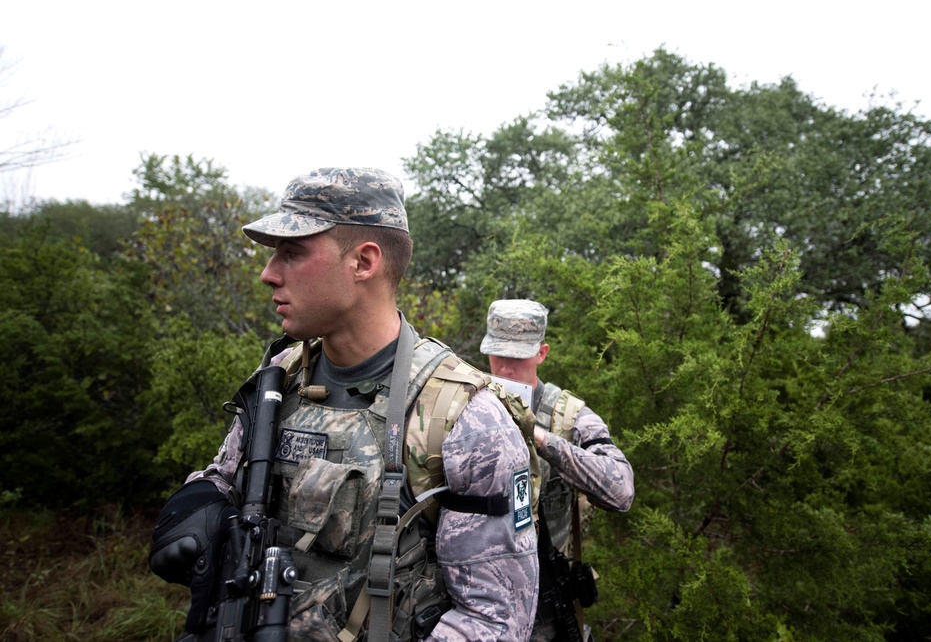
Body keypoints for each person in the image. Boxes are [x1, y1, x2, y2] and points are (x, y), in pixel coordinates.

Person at [149, 168, 538, 642]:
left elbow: (494, 618)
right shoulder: (279, 379)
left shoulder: (464, 417)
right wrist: (201, 502)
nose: (268, 273)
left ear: (364, 262)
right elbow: (228, 477)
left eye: (291, 253)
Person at [480, 299, 634, 642]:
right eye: (497, 354)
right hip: (478, 600)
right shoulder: (465, 401)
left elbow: (621, 490)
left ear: (541, 353)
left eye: (517, 356)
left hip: (544, 603)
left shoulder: (567, 416)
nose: (504, 369)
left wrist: (542, 440)